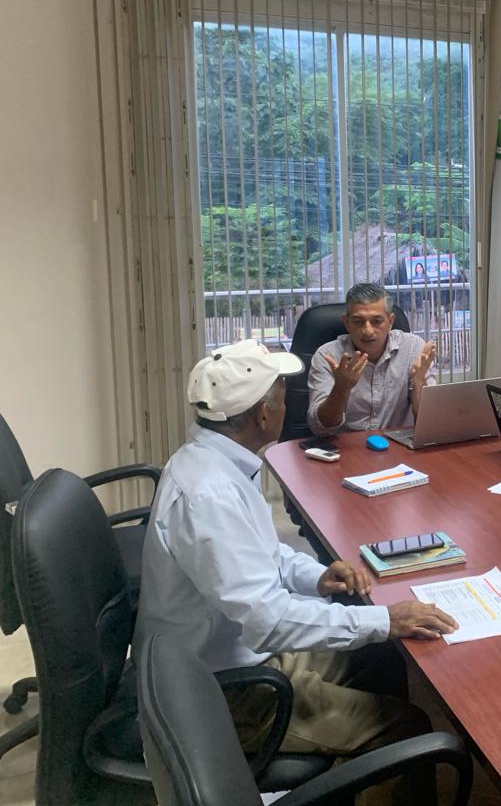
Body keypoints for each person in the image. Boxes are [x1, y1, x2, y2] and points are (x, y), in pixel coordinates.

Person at [134, 339, 458, 804]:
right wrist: (385, 618)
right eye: (284, 397)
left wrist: (316, 577)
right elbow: (269, 621)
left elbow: (265, 552)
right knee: (405, 730)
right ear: (263, 414)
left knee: (381, 656)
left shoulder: (216, 462)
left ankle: (351, 779)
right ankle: (370, 761)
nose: (288, 406)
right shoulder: (210, 494)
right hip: (228, 692)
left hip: (234, 653)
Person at [308, 282, 437, 435]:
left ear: (390, 321)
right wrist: (341, 388)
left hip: (396, 443)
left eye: (377, 321)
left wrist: (418, 381)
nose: (368, 331)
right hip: (346, 445)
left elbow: (429, 423)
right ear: (347, 322)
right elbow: (321, 427)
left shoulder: (413, 348)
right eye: (358, 322)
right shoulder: (328, 356)